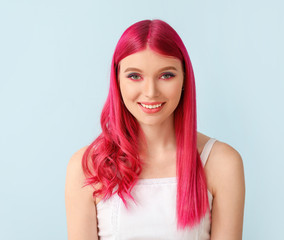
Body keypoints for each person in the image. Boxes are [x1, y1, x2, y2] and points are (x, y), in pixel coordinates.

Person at [65, 19, 245, 240]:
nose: (150, 92)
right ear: (117, 81)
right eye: (134, 76)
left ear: (184, 79)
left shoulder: (221, 163)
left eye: (166, 75)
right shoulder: (88, 166)